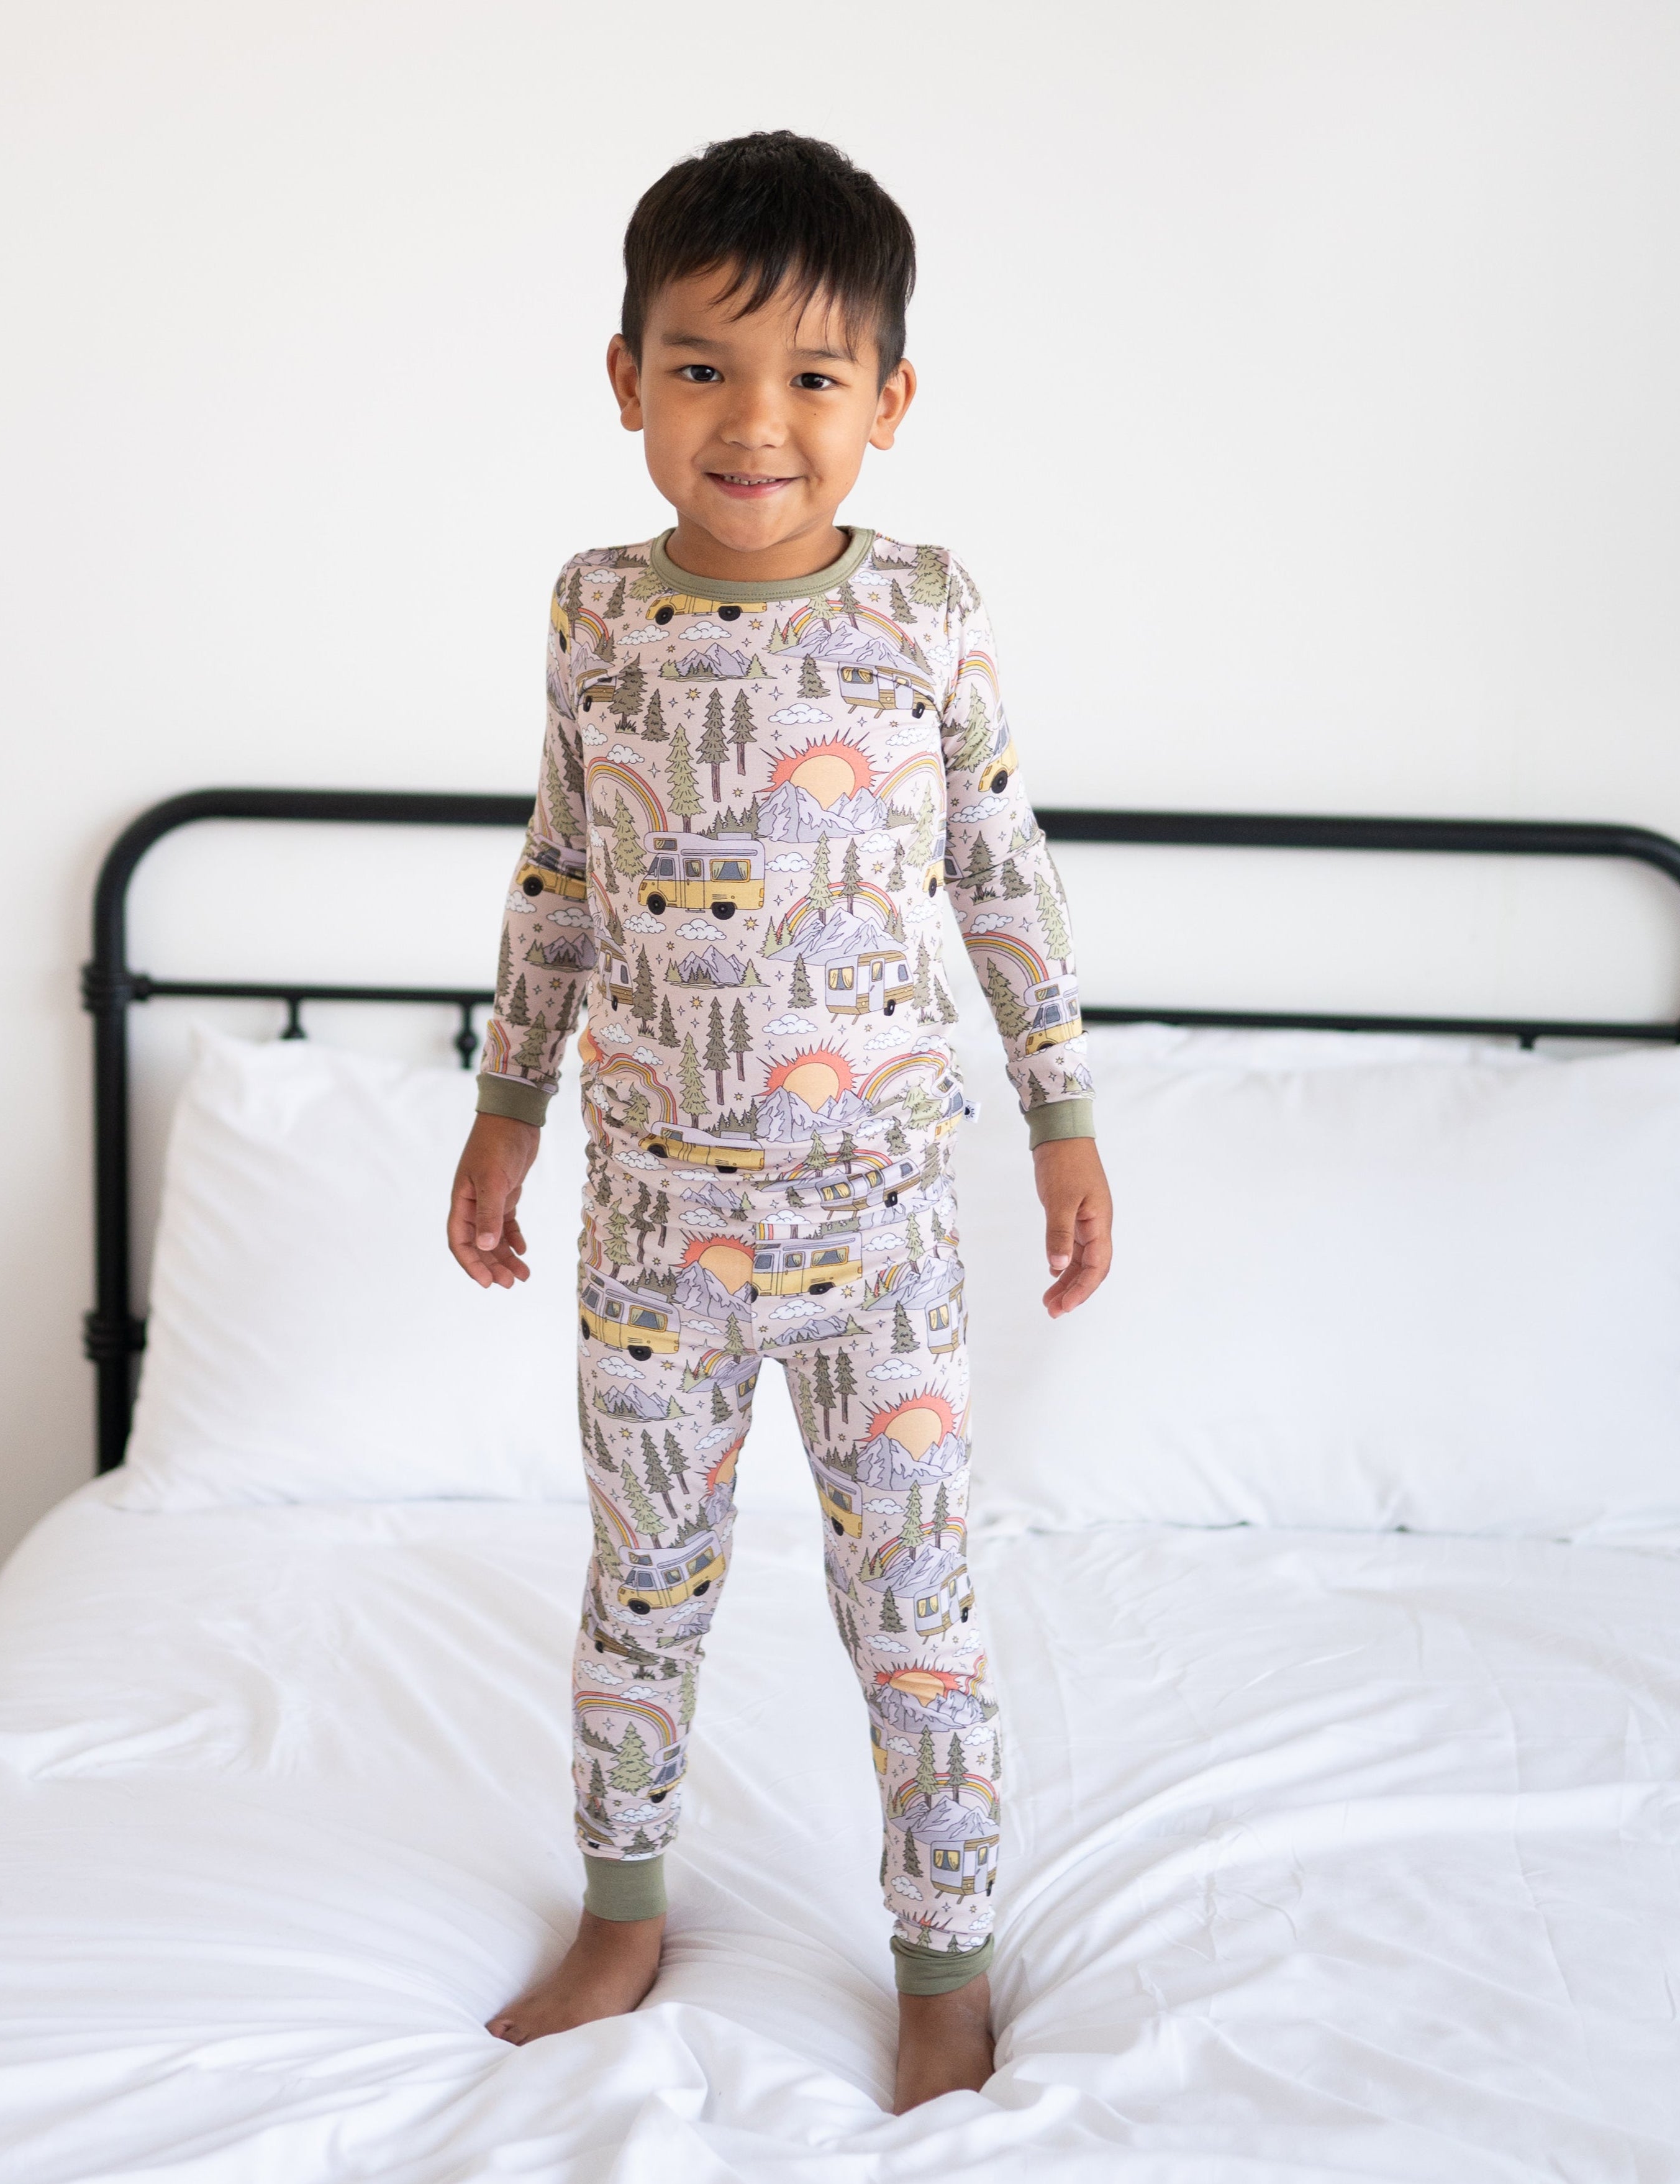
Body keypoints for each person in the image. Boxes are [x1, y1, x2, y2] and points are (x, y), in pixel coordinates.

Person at [449, 130, 1113, 2112]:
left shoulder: (924, 609)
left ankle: (942, 1955)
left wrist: (1062, 1109)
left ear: (889, 402)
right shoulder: (594, 610)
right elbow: (566, 866)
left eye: (814, 377)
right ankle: (625, 1904)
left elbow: (1001, 864)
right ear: (627, 377)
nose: (757, 423)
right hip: (653, 1228)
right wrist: (506, 1102)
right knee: (639, 1583)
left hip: (884, 1233)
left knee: (910, 1597)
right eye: (704, 368)